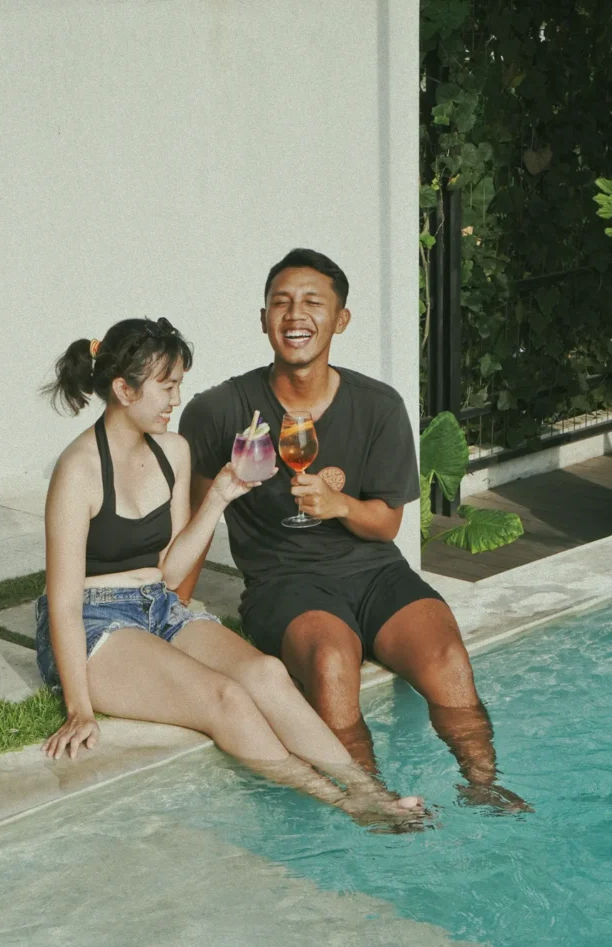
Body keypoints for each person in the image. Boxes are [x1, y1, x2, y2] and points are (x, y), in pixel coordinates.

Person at [35, 315, 427, 829]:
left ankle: (370, 788)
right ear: (123, 390)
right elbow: (62, 601)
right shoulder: (78, 470)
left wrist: (220, 493)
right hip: (94, 625)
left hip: (159, 606)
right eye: (167, 386)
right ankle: (349, 806)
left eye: (180, 385)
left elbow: (171, 570)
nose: (177, 400)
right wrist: (79, 707)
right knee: (227, 699)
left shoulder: (173, 452)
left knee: (267, 674)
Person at [177, 250, 531, 813]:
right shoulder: (222, 410)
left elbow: (386, 522)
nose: (296, 314)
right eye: (282, 302)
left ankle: (483, 782)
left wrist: (339, 504)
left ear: (340, 319)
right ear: (264, 317)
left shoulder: (378, 407)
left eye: (313, 302)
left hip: (374, 572)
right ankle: (373, 800)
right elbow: (196, 520)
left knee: (448, 659)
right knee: (332, 664)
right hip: (285, 583)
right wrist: (175, 609)